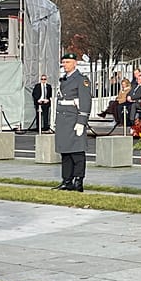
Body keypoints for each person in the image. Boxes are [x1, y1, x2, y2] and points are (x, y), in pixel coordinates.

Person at [53, 52, 92, 192]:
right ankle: (67, 180)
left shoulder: (81, 79)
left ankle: (78, 180)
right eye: (63, 62)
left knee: (77, 152)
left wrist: (82, 121)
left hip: (74, 119)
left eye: (67, 62)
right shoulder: (64, 79)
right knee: (65, 151)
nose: (65, 65)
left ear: (75, 63)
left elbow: (85, 101)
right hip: (64, 120)